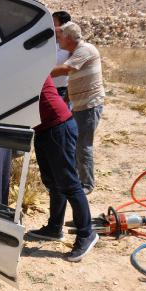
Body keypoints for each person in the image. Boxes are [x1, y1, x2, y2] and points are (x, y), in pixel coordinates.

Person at [28, 76, 98, 262]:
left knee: (69, 183)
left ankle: (86, 233)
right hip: (43, 129)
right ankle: (54, 228)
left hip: (58, 126)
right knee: (53, 182)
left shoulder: (28, 63)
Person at [51, 22, 104, 195]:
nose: (58, 40)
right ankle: (74, 177)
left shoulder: (84, 50)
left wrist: (39, 73)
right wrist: (66, 100)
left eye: (60, 37)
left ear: (68, 37)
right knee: (74, 142)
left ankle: (86, 184)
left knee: (83, 145)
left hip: (88, 105)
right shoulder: (76, 52)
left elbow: (65, 70)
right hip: (79, 103)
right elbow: (74, 78)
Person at [51, 11, 71, 105]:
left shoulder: (71, 45)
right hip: (47, 89)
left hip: (62, 91)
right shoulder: (48, 41)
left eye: (53, 21)